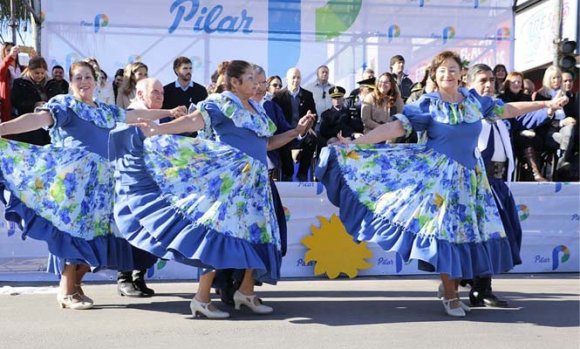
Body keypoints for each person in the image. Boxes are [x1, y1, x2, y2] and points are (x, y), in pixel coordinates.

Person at [316, 51, 568, 317]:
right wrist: (357, 143)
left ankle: (451, 285)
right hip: (440, 182)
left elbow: (507, 110)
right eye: (442, 70)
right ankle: (450, 294)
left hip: (471, 180)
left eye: (452, 69)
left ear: (461, 74)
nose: (448, 74)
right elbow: (395, 129)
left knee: (467, 236)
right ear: (434, 77)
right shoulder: (427, 104)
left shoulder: (473, 102)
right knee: (447, 235)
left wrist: (544, 105)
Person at [0, 60, 185, 310]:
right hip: (75, 183)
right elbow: (35, 119)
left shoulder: (105, 110)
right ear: (71, 81)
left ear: (95, 81)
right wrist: (3, 128)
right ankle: (66, 291)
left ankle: (76, 286)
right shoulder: (65, 105)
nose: (84, 82)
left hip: (104, 183)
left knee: (100, 236)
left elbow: (135, 115)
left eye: (88, 77)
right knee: (75, 233)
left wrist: (168, 112)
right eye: (78, 78)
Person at [110, 60, 286, 319]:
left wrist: (297, 132)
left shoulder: (257, 110)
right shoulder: (220, 102)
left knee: (259, 234)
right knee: (217, 235)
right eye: (249, 78)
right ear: (235, 82)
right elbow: (194, 121)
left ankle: (245, 292)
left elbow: (266, 143)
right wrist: (159, 129)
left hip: (256, 183)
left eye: (256, 78)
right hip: (230, 183)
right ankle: (201, 298)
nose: (256, 83)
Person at [214, 64, 315, 305]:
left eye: (261, 82)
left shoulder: (268, 107)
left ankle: (246, 286)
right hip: (234, 180)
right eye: (255, 81)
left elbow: (278, 138)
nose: (259, 87)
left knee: (268, 233)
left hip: (265, 178)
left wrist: (298, 132)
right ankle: (225, 285)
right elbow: (202, 126)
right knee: (231, 234)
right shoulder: (224, 105)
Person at [115, 78, 164, 297]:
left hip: (151, 185)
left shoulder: (158, 118)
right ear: (141, 94)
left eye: (161, 92)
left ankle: (139, 276)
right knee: (130, 230)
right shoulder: (132, 115)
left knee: (149, 231)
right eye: (154, 92)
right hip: (131, 186)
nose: (159, 96)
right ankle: (124, 277)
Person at [272, 67, 317, 181]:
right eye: (293, 77)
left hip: (303, 131)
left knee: (312, 140)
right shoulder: (278, 97)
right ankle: (288, 173)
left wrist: (310, 126)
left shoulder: (307, 95)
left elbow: (314, 114)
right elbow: (275, 119)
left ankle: (302, 173)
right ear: (287, 79)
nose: (296, 80)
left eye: (298, 77)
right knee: (283, 141)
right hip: (286, 131)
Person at [10, 56, 51, 145]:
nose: (40, 76)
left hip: (47, 128)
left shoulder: (51, 83)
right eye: (36, 73)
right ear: (29, 69)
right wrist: (35, 105)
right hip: (27, 128)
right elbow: (16, 101)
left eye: (42, 73)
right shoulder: (19, 83)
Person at [0, 43, 21, 123]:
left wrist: (33, 57)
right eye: (8, 50)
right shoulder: (3, 67)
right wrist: (10, 57)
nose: (13, 52)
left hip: (21, 104)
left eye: (14, 49)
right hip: (8, 106)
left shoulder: (22, 68)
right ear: (3, 53)